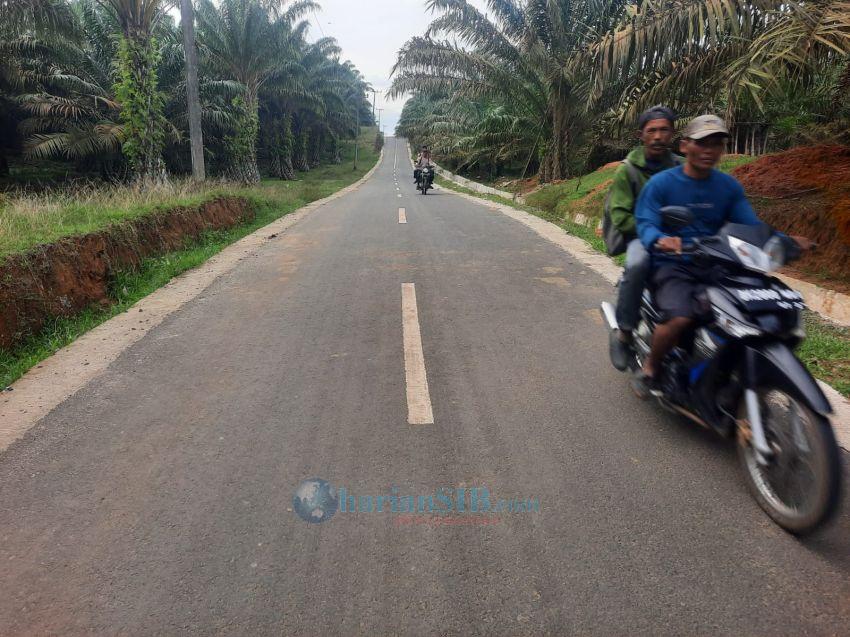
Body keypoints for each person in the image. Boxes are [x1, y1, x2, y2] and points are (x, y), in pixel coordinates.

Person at [632, 114, 812, 396]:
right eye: (702, 143)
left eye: (716, 144)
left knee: (752, 314)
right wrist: (660, 239)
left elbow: (751, 226)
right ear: (685, 146)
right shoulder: (661, 184)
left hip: (718, 263)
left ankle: (726, 370)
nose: (709, 150)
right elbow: (645, 222)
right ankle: (651, 368)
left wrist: (786, 241)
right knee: (680, 317)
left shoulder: (728, 187)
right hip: (674, 264)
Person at [609, 106, 683, 369]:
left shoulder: (682, 167)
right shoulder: (628, 170)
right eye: (652, 131)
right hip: (639, 236)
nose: (658, 136)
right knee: (638, 264)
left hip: (679, 238)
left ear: (672, 133)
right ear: (641, 135)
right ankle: (624, 333)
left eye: (664, 130)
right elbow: (620, 217)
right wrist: (655, 234)